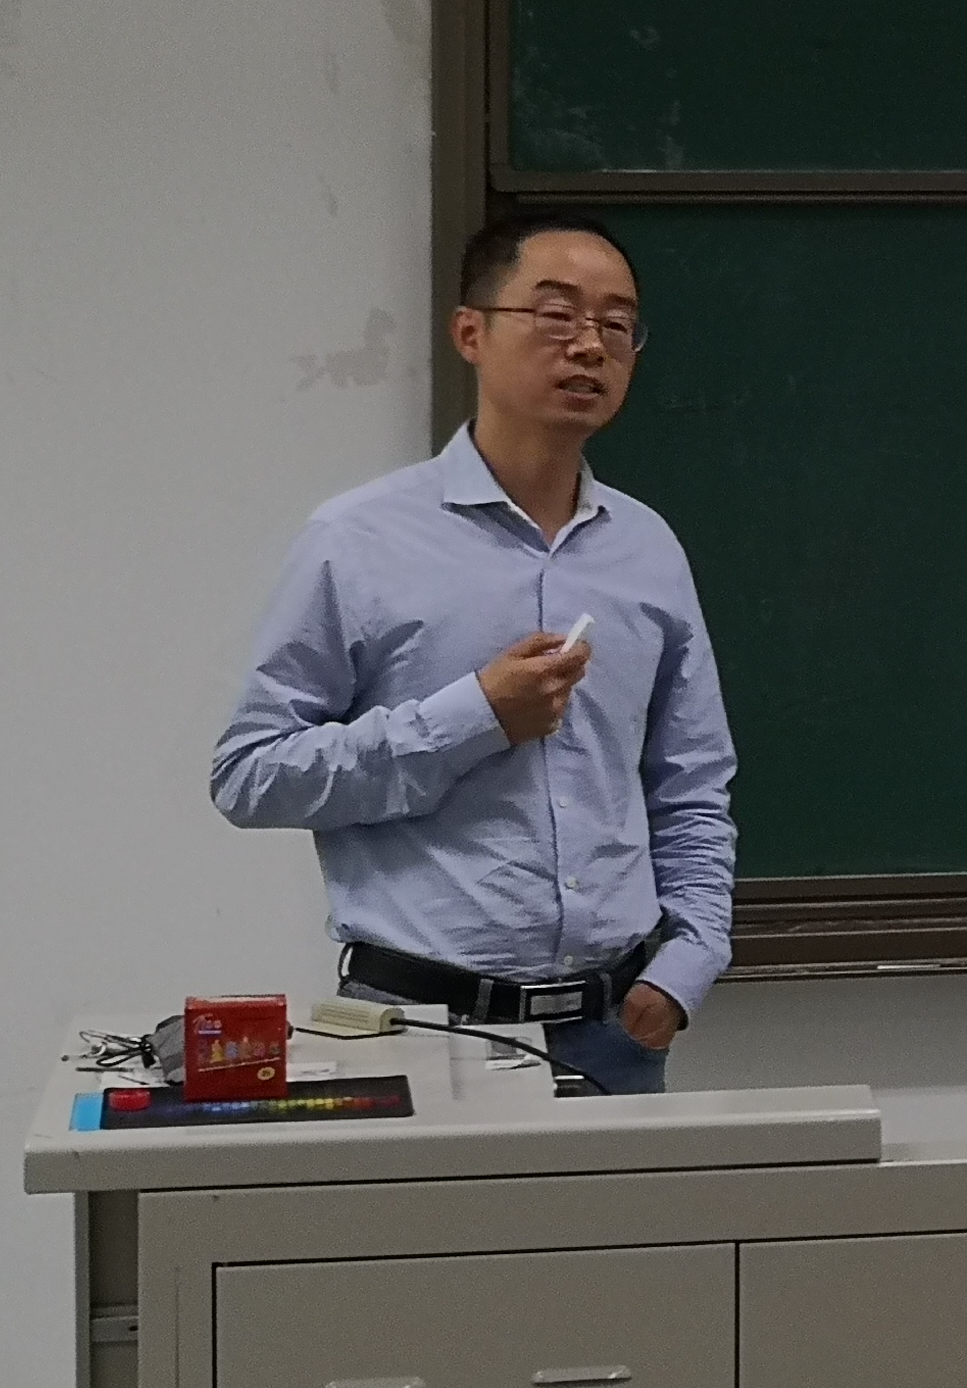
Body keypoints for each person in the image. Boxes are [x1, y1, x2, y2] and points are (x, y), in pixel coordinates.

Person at [209, 211, 733, 1094]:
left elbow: (691, 781)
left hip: (615, 1034)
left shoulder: (648, 550)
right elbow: (251, 775)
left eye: (616, 325)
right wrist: (473, 718)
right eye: (556, 315)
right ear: (470, 333)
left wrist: (689, 961)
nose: (590, 346)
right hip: (419, 1031)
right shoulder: (358, 540)